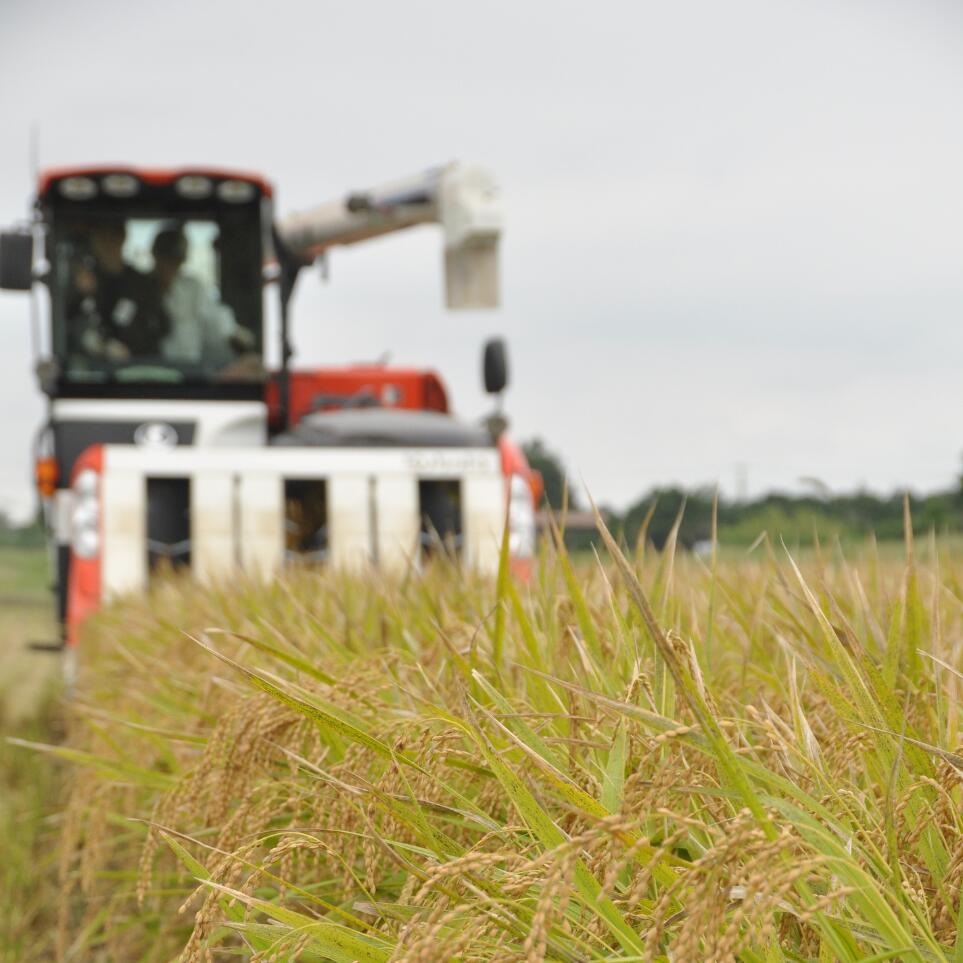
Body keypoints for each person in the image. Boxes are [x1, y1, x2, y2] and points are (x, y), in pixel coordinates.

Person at [151, 226, 255, 368]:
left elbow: (215, 320)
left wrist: (233, 334)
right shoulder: (139, 288)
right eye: (166, 257)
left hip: (189, 374)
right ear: (155, 254)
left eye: (177, 258)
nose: (171, 265)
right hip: (147, 371)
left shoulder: (193, 288)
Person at [68, 222, 169, 361]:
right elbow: (69, 326)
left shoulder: (142, 284)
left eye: (113, 237)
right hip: (92, 371)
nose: (108, 244)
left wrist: (131, 348)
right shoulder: (81, 283)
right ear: (94, 241)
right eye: (102, 237)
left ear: (123, 238)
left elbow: (161, 327)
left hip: (136, 368)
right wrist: (81, 293)